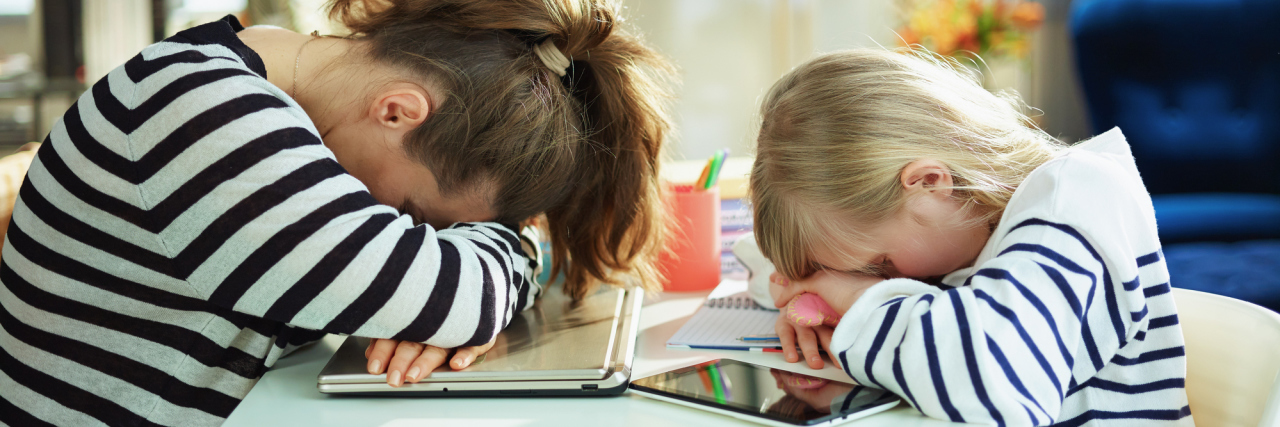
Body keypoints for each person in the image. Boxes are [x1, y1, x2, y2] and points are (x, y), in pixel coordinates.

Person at [0, 0, 673, 424]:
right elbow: (448, 292)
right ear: (398, 111)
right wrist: (446, 292)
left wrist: (484, 259)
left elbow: (463, 275)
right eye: (415, 211)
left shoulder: (253, 85)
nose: (408, 230)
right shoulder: (206, 114)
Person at [750, 48, 1193, 425]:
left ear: (928, 183)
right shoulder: (958, 233)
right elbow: (764, 268)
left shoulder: (1075, 200)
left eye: (879, 266)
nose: (877, 282)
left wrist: (855, 301)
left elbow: (999, 385)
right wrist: (811, 298)